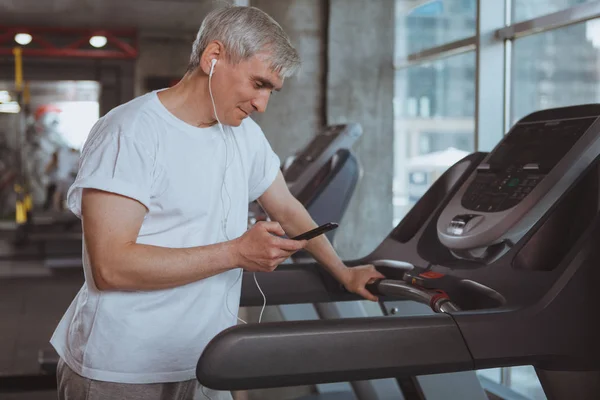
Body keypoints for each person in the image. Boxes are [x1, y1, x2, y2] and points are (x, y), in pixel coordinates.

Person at [51, 5, 384, 400]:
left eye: (271, 91)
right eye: (258, 84)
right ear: (213, 58)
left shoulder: (244, 136)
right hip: (122, 366)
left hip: (206, 361)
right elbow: (110, 267)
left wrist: (343, 273)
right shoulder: (131, 131)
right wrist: (236, 253)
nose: (262, 104)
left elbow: (288, 207)